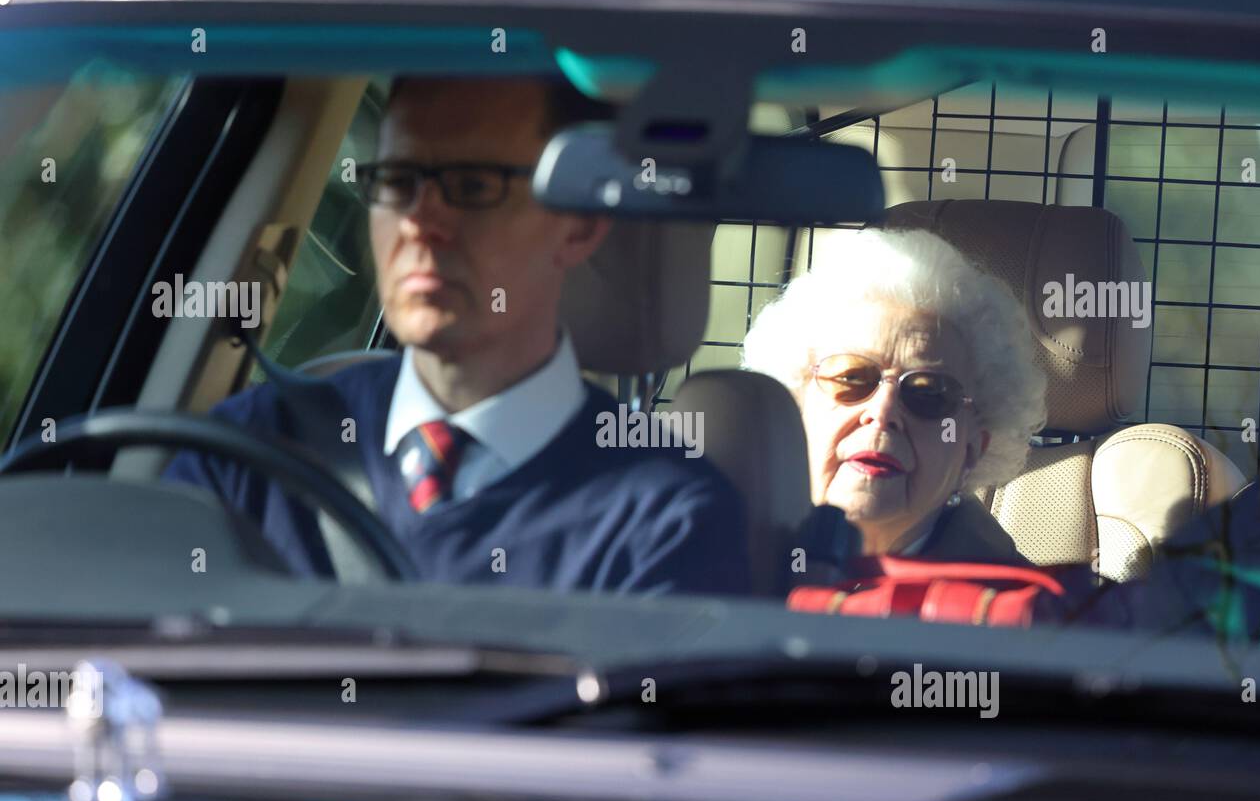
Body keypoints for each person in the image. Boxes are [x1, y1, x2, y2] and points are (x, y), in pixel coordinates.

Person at [165, 76, 748, 596]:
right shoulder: (246, 453)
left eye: (472, 186)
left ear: (581, 226)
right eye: (397, 181)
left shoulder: (668, 521)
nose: (420, 222)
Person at [743, 226, 1046, 565]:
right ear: (795, 408)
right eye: (852, 377)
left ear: (973, 449)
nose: (883, 411)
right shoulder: (711, 568)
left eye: (929, 394)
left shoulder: (1023, 610)